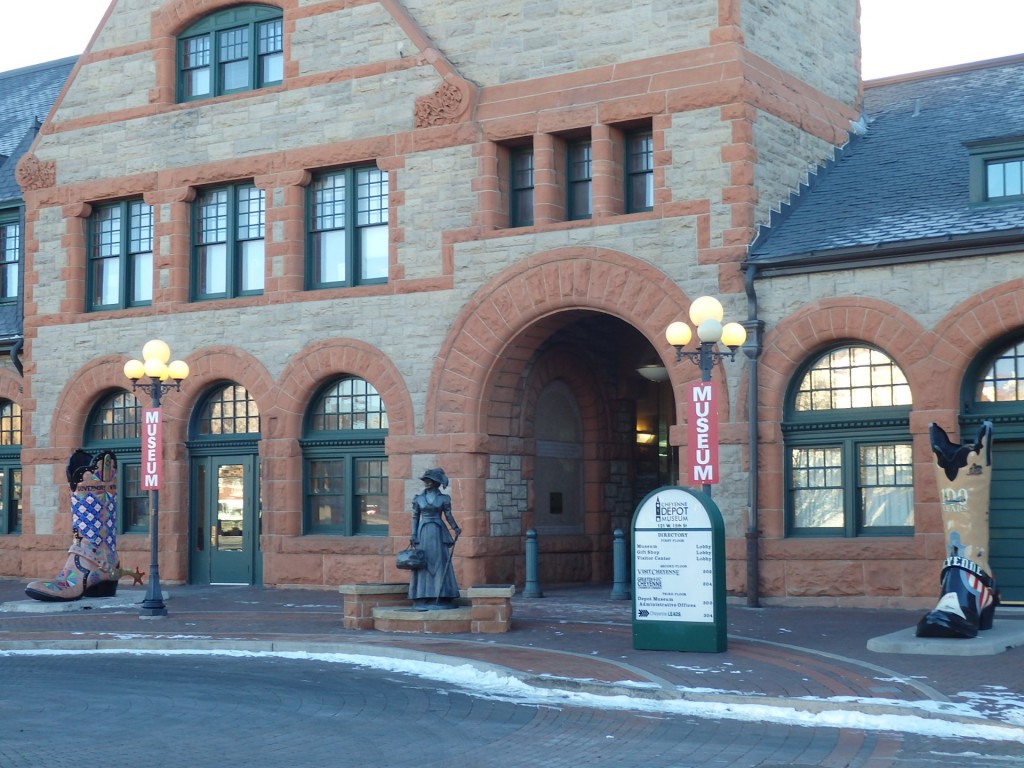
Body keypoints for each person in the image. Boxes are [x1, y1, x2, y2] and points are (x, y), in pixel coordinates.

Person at [408, 468, 461, 610]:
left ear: (436, 483)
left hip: (438, 532)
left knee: (439, 562)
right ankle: (422, 596)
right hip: (423, 532)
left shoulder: (444, 499)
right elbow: (415, 517)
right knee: (423, 562)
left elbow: (448, 516)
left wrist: (455, 528)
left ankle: (441, 595)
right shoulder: (418, 498)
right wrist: (413, 534)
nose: (427, 483)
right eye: (426, 480)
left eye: (430, 480)